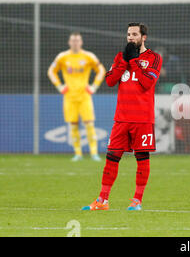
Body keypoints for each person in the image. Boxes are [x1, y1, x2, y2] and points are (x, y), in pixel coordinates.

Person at [82, 22, 162, 211]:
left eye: (134, 34)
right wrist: (125, 61)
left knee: (142, 157)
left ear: (144, 37)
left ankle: (137, 201)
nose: (130, 38)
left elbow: (147, 83)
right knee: (111, 157)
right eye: (128, 34)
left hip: (142, 118)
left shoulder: (154, 58)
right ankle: (102, 200)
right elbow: (110, 81)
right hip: (122, 118)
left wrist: (134, 61)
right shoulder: (120, 57)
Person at [47, 32, 106, 162]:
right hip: (69, 97)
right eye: (73, 40)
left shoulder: (88, 56)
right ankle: (78, 154)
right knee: (73, 126)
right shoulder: (62, 57)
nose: (75, 43)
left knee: (89, 124)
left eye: (77, 40)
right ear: (69, 42)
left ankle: (94, 153)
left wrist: (94, 86)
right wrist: (59, 86)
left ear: (81, 42)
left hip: (84, 96)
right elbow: (51, 71)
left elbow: (101, 70)